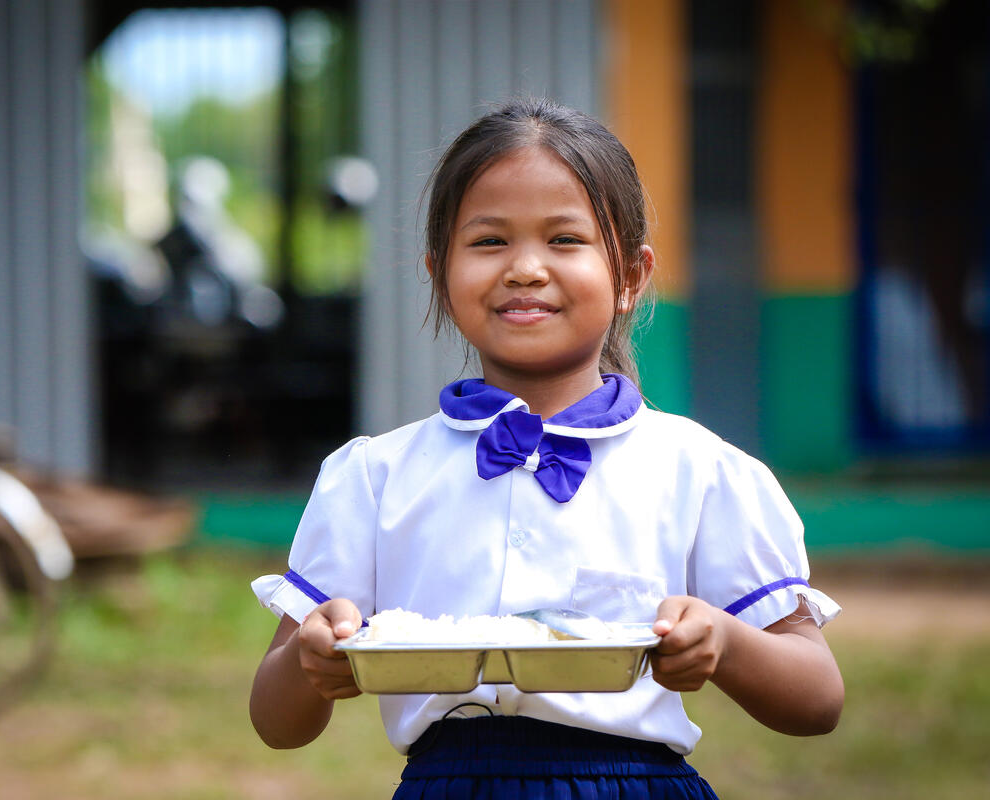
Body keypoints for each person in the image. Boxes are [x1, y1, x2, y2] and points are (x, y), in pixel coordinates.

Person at [249, 98, 844, 799]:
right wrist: (313, 659)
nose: (526, 269)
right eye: (489, 242)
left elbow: (817, 697)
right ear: (440, 272)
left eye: (565, 240)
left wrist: (726, 640)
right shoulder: (375, 476)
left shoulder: (701, 470)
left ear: (630, 276)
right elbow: (276, 720)